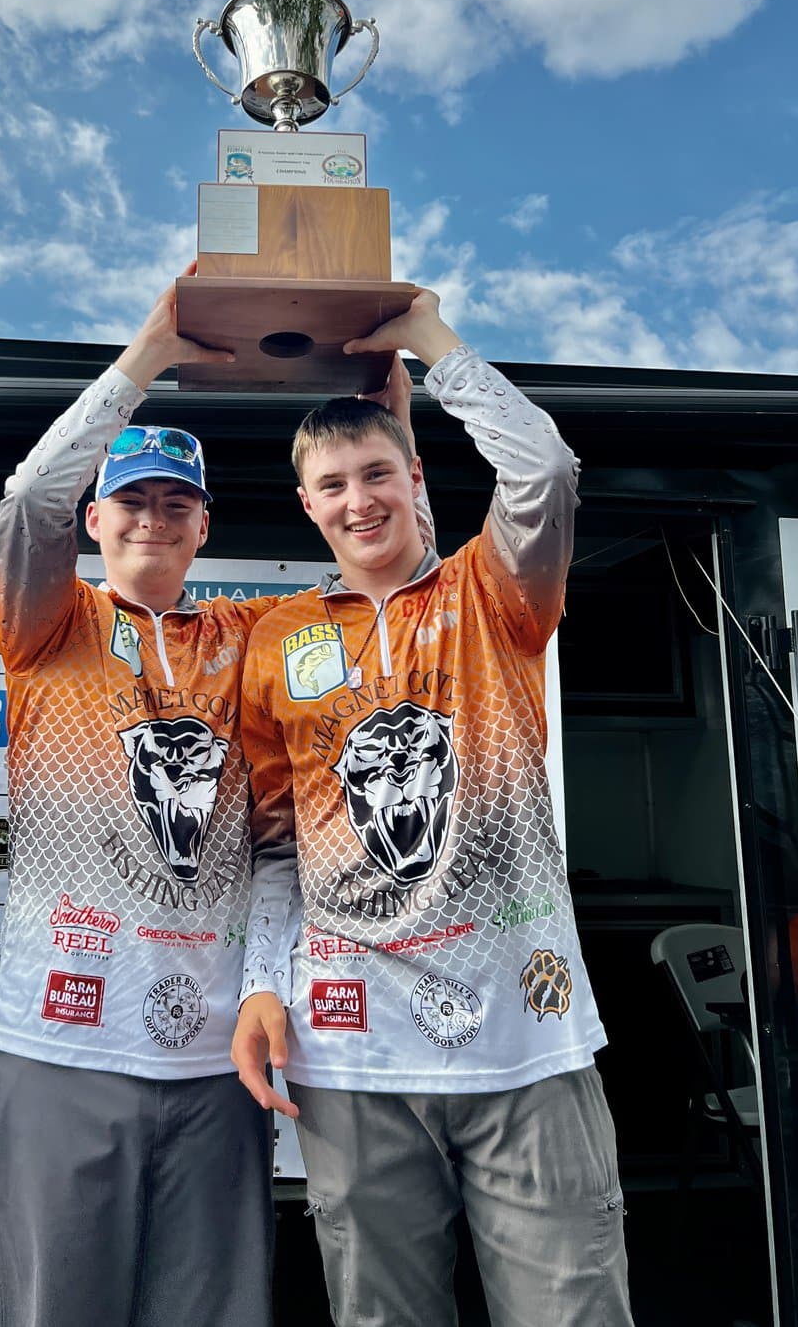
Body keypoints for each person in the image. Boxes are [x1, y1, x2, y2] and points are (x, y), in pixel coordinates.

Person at [0, 267, 428, 1327]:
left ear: (202, 524)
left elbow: (395, 569)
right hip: (59, 1042)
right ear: (96, 518)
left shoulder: (250, 636)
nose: (151, 520)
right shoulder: (48, 623)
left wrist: (389, 399)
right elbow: (26, 499)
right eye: (131, 501)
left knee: (217, 1312)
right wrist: (145, 360)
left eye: (174, 504)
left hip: (213, 1052)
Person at [232, 287, 635, 1327]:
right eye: (333, 485)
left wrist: (428, 341)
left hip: (524, 1033)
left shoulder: (491, 595)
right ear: (308, 507)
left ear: (415, 479)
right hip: (350, 1045)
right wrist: (259, 984)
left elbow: (542, 468)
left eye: (377, 474)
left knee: (571, 1311)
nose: (358, 499)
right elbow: (273, 846)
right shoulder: (276, 639)